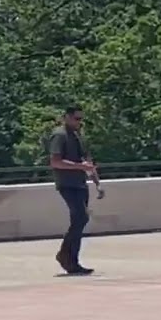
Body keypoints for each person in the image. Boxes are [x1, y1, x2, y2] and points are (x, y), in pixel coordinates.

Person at [48, 106, 96, 276]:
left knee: (80, 220)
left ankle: (71, 260)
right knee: (81, 217)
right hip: (67, 184)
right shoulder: (59, 135)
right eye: (76, 119)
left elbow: (87, 161)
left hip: (80, 184)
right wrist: (79, 167)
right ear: (66, 117)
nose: (79, 122)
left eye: (81, 119)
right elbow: (55, 162)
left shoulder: (78, 135)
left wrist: (97, 182)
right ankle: (65, 256)